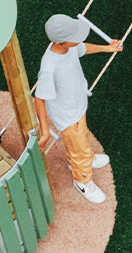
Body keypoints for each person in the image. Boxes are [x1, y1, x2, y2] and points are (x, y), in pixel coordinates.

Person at [34, 13, 122, 204]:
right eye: (74, 38)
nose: (79, 40)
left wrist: (107, 48)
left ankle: (84, 158)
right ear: (60, 42)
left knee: (80, 139)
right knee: (78, 146)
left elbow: (82, 48)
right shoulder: (50, 66)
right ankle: (82, 181)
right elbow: (39, 98)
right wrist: (45, 132)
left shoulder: (69, 47)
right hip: (67, 116)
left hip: (77, 106)